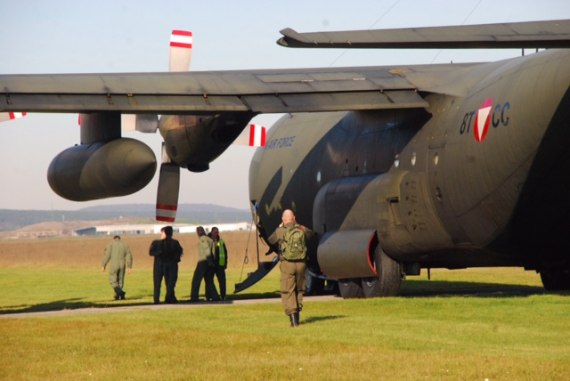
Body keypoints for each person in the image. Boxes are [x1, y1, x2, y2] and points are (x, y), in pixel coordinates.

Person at [268, 209, 313, 327]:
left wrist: (279, 228)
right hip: (301, 264)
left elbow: (271, 240)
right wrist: (298, 225)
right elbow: (311, 235)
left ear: (283, 219)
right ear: (294, 218)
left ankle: (294, 321)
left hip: (287, 264)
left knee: (288, 291)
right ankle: (297, 315)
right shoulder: (301, 229)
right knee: (299, 290)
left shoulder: (280, 231)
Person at [149, 226, 183, 304]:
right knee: (168, 283)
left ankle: (164, 298)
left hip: (163, 265)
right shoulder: (172, 242)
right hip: (165, 265)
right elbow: (180, 252)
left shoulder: (157, 243)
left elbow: (151, 252)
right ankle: (164, 298)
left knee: (166, 283)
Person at [190, 226, 220, 302]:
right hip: (210, 263)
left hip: (203, 262)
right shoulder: (210, 239)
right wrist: (212, 262)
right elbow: (214, 252)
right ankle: (215, 296)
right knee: (209, 281)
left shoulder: (202, 239)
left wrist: (209, 261)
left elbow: (207, 250)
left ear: (200, 231)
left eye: (198, 231)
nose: (197, 233)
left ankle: (194, 297)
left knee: (196, 280)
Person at [101, 235, 133, 300]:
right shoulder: (125, 245)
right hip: (122, 265)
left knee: (113, 280)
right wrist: (129, 266)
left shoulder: (111, 245)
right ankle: (118, 295)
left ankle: (121, 293)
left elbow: (107, 255)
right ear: (119, 239)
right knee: (120, 280)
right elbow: (129, 256)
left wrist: (103, 265)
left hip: (114, 265)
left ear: (114, 239)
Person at [210, 226, 229, 300]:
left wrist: (225, 263)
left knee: (222, 281)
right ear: (211, 232)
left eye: (217, 232)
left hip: (220, 265)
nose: (216, 233)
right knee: (210, 282)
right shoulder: (208, 241)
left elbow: (225, 253)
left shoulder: (220, 242)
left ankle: (223, 296)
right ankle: (210, 296)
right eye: (215, 232)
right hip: (211, 265)